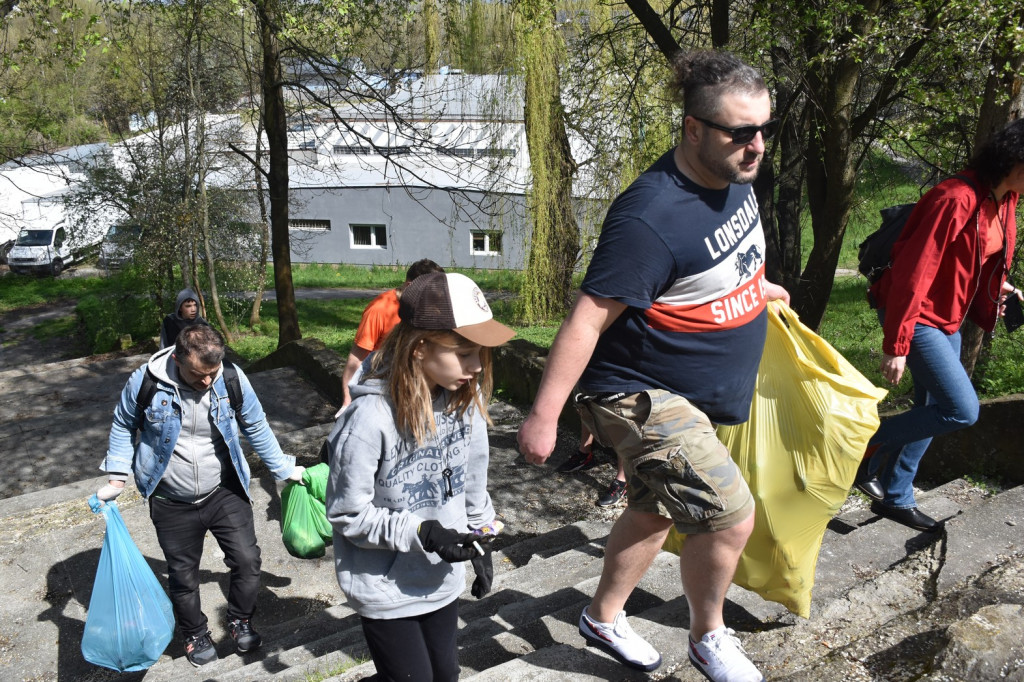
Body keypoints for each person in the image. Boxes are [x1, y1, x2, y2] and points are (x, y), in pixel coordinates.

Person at [517, 50, 789, 682]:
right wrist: (543, 415)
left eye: (764, 130)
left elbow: (721, 260)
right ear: (693, 127)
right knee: (728, 514)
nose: (756, 146)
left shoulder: (734, 181)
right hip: (638, 393)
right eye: (740, 132)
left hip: (692, 394)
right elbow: (588, 318)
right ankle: (708, 638)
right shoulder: (650, 216)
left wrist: (758, 287)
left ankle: (602, 616)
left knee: (655, 508)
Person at [324, 272, 514, 682]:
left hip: (440, 578)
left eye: (479, 353)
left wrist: (482, 536)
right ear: (419, 347)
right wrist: (423, 533)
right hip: (385, 586)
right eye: (464, 352)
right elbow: (347, 515)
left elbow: (471, 484)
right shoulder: (367, 420)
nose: (477, 366)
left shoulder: (467, 402)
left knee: (445, 675)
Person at [94, 324, 305, 667]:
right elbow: (123, 424)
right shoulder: (146, 381)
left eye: (213, 373)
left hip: (223, 489)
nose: (207, 382)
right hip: (170, 499)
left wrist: (283, 468)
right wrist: (117, 477)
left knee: (247, 560)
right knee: (183, 573)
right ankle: (194, 632)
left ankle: (240, 620)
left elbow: (255, 424)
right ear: (177, 359)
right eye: (198, 374)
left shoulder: (232, 379)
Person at [855, 119, 1024, 532]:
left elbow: (976, 256)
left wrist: (998, 285)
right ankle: (862, 445)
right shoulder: (954, 198)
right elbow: (915, 272)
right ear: (1015, 160)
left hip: (948, 314)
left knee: (931, 409)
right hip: (916, 314)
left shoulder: (1005, 201)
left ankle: (897, 496)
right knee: (960, 410)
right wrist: (896, 343)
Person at [339, 259, 445, 410]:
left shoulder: (428, 307)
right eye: (429, 293)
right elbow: (356, 359)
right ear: (410, 286)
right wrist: (347, 401)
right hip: (382, 387)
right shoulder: (379, 309)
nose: (435, 299)